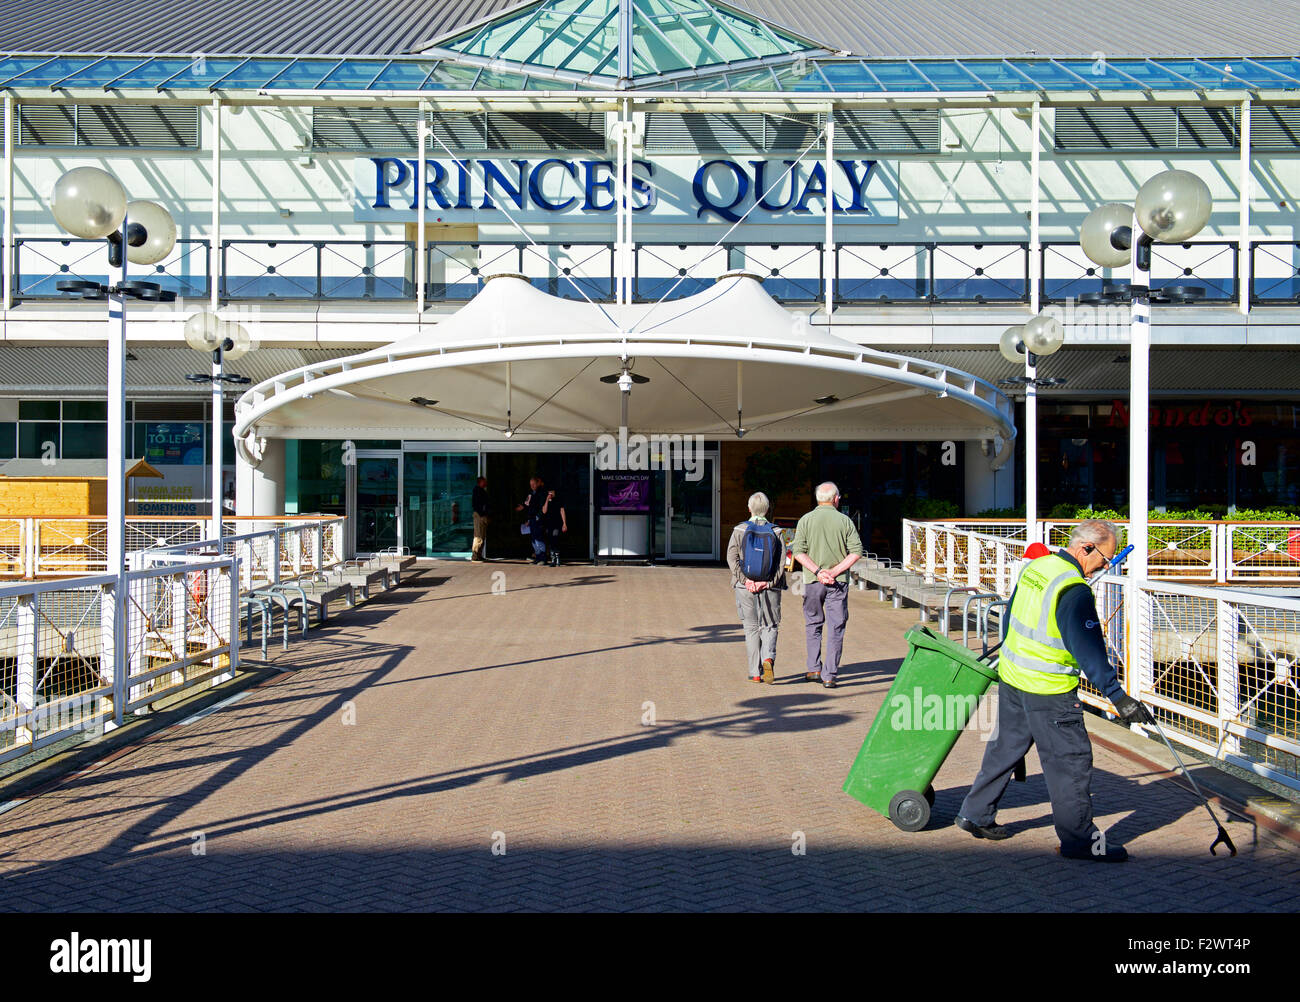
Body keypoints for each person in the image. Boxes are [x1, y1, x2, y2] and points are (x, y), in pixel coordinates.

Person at [955, 519, 1154, 863]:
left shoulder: (1038, 566)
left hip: (1014, 676)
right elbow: (1088, 649)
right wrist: (1118, 697)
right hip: (1049, 690)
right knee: (1070, 765)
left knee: (1005, 748)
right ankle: (1079, 841)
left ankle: (975, 813)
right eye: (1105, 560)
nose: (1104, 567)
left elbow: (1009, 617)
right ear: (1085, 548)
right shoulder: (1074, 590)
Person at [791, 481, 863, 689]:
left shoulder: (805, 520)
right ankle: (829, 675)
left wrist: (817, 571)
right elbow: (856, 551)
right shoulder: (845, 521)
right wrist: (833, 572)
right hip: (837, 582)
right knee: (836, 627)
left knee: (813, 623)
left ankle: (813, 668)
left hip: (812, 581)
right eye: (839, 497)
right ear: (835, 498)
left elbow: (798, 552)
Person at [726, 492, 785, 684]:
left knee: (751, 627)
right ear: (767, 510)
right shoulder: (776, 532)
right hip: (770, 586)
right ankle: (768, 658)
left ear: (749, 508)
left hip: (745, 587)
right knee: (769, 625)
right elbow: (782, 562)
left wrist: (745, 580)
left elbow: (731, 558)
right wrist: (767, 583)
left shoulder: (740, 529)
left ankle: (755, 672)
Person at [540, 486, 567, 565]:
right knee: (550, 540)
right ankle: (553, 559)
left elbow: (562, 511)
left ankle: (557, 557)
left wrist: (564, 523)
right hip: (548, 524)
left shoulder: (559, 500)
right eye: (549, 492)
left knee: (555, 538)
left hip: (557, 523)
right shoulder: (545, 500)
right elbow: (544, 511)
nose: (550, 493)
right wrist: (547, 500)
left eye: (552, 492)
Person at [471, 476, 490, 561]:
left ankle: (479, 555)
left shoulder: (480, 491)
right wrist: (482, 514)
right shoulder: (478, 491)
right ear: (480, 482)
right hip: (479, 515)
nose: (486, 483)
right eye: (484, 481)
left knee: (482, 536)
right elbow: (477, 504)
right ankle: (475, 556)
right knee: (478, 536)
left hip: (482, 515)